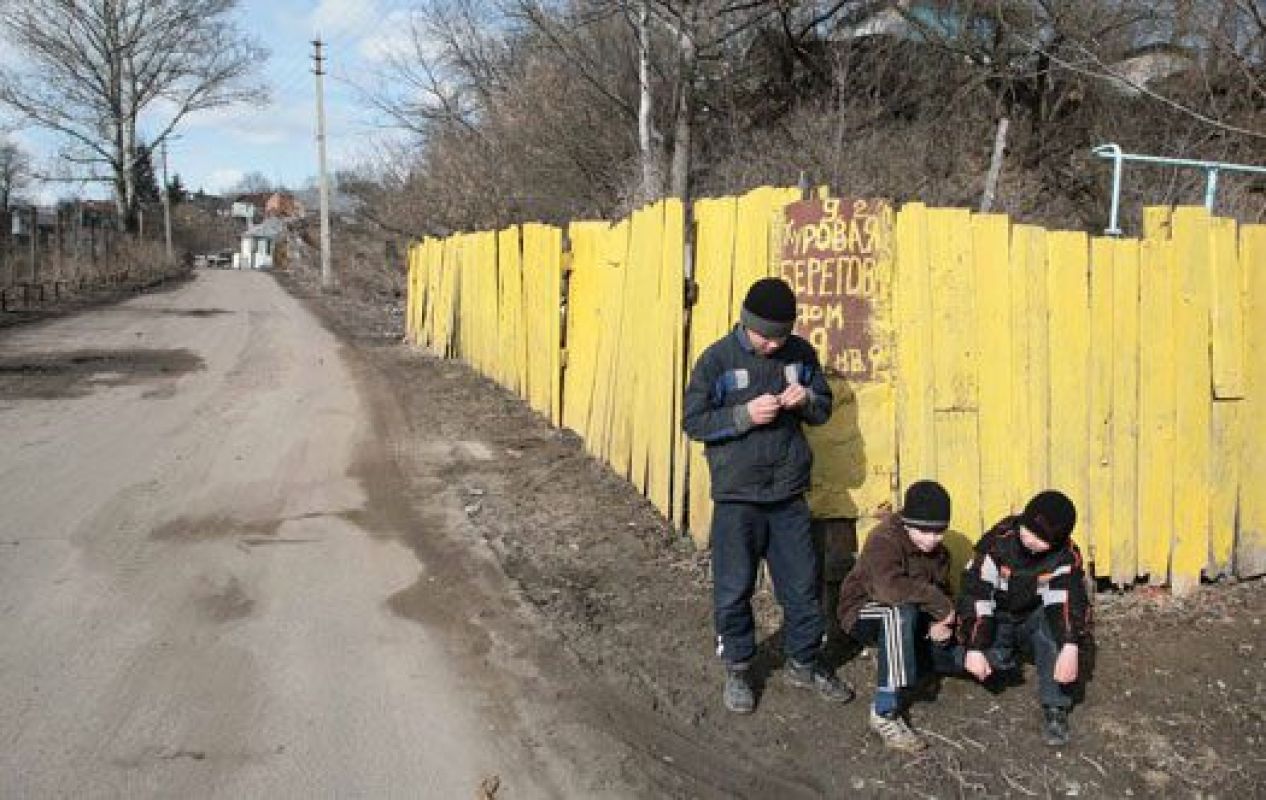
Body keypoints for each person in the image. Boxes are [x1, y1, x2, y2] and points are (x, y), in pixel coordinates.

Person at [683, 276, 852, 714]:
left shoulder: (800, 354)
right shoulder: (716, 361)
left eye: (783, 335)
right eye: (766, 336)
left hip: (787, 494)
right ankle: (739, 667)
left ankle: (804, 660)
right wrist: (743, 415)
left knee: (801, 585)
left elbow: (823, 407)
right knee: (734, 587)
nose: (775, 345)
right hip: (737, 497)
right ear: (746, 323)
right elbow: (694, 421)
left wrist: (806, 401)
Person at [950, 490, 1091, 746]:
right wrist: (974, 646)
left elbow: (1068, 602)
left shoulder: (1064, 557)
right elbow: (976, 594)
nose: (1031, 540)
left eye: (1042, 538)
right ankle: (960, 656)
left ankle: (1055, 706)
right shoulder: (997, 543)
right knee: (988, 660)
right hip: (998, 617)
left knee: (1055, 634)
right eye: (1028, 529)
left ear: (1057, 541)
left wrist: (1070, 645)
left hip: (1033, 618)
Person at [836, 480, 956, 752]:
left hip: (911, 616)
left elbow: (943, 592)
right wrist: (939, 604)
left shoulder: (940, 554)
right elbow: (888, 590)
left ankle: (920, 667)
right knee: (898, 612)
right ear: (906, 522)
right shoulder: (884, 539)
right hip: (863, 611)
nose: (932, 539)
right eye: (924, 530)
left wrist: (942, 622)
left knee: (951, 650)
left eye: (939, 531)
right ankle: (885, 711)